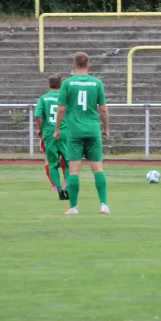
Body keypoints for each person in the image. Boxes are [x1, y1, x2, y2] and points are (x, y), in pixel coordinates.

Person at [54, 52, 110, 215]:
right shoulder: (97, 83)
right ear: (88, 64)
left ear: (74, 65)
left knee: (73, 171)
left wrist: (57, 129)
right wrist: (106, 129)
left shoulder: (67, 83)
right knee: (98, 169)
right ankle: (104, 205)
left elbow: (62, 109)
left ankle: (73, 207)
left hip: (74, 132)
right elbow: (104, 109)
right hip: (93, 130)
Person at [35, 74, 70, 200]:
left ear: (49, 85)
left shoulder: (43, 99)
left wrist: (40, 128)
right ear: (61, 84)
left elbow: (38, 115)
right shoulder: (66, 98)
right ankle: (68, 188)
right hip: (64, 132)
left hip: (49, 133)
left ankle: (59, 188)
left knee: (52, 164)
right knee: (68, 162)